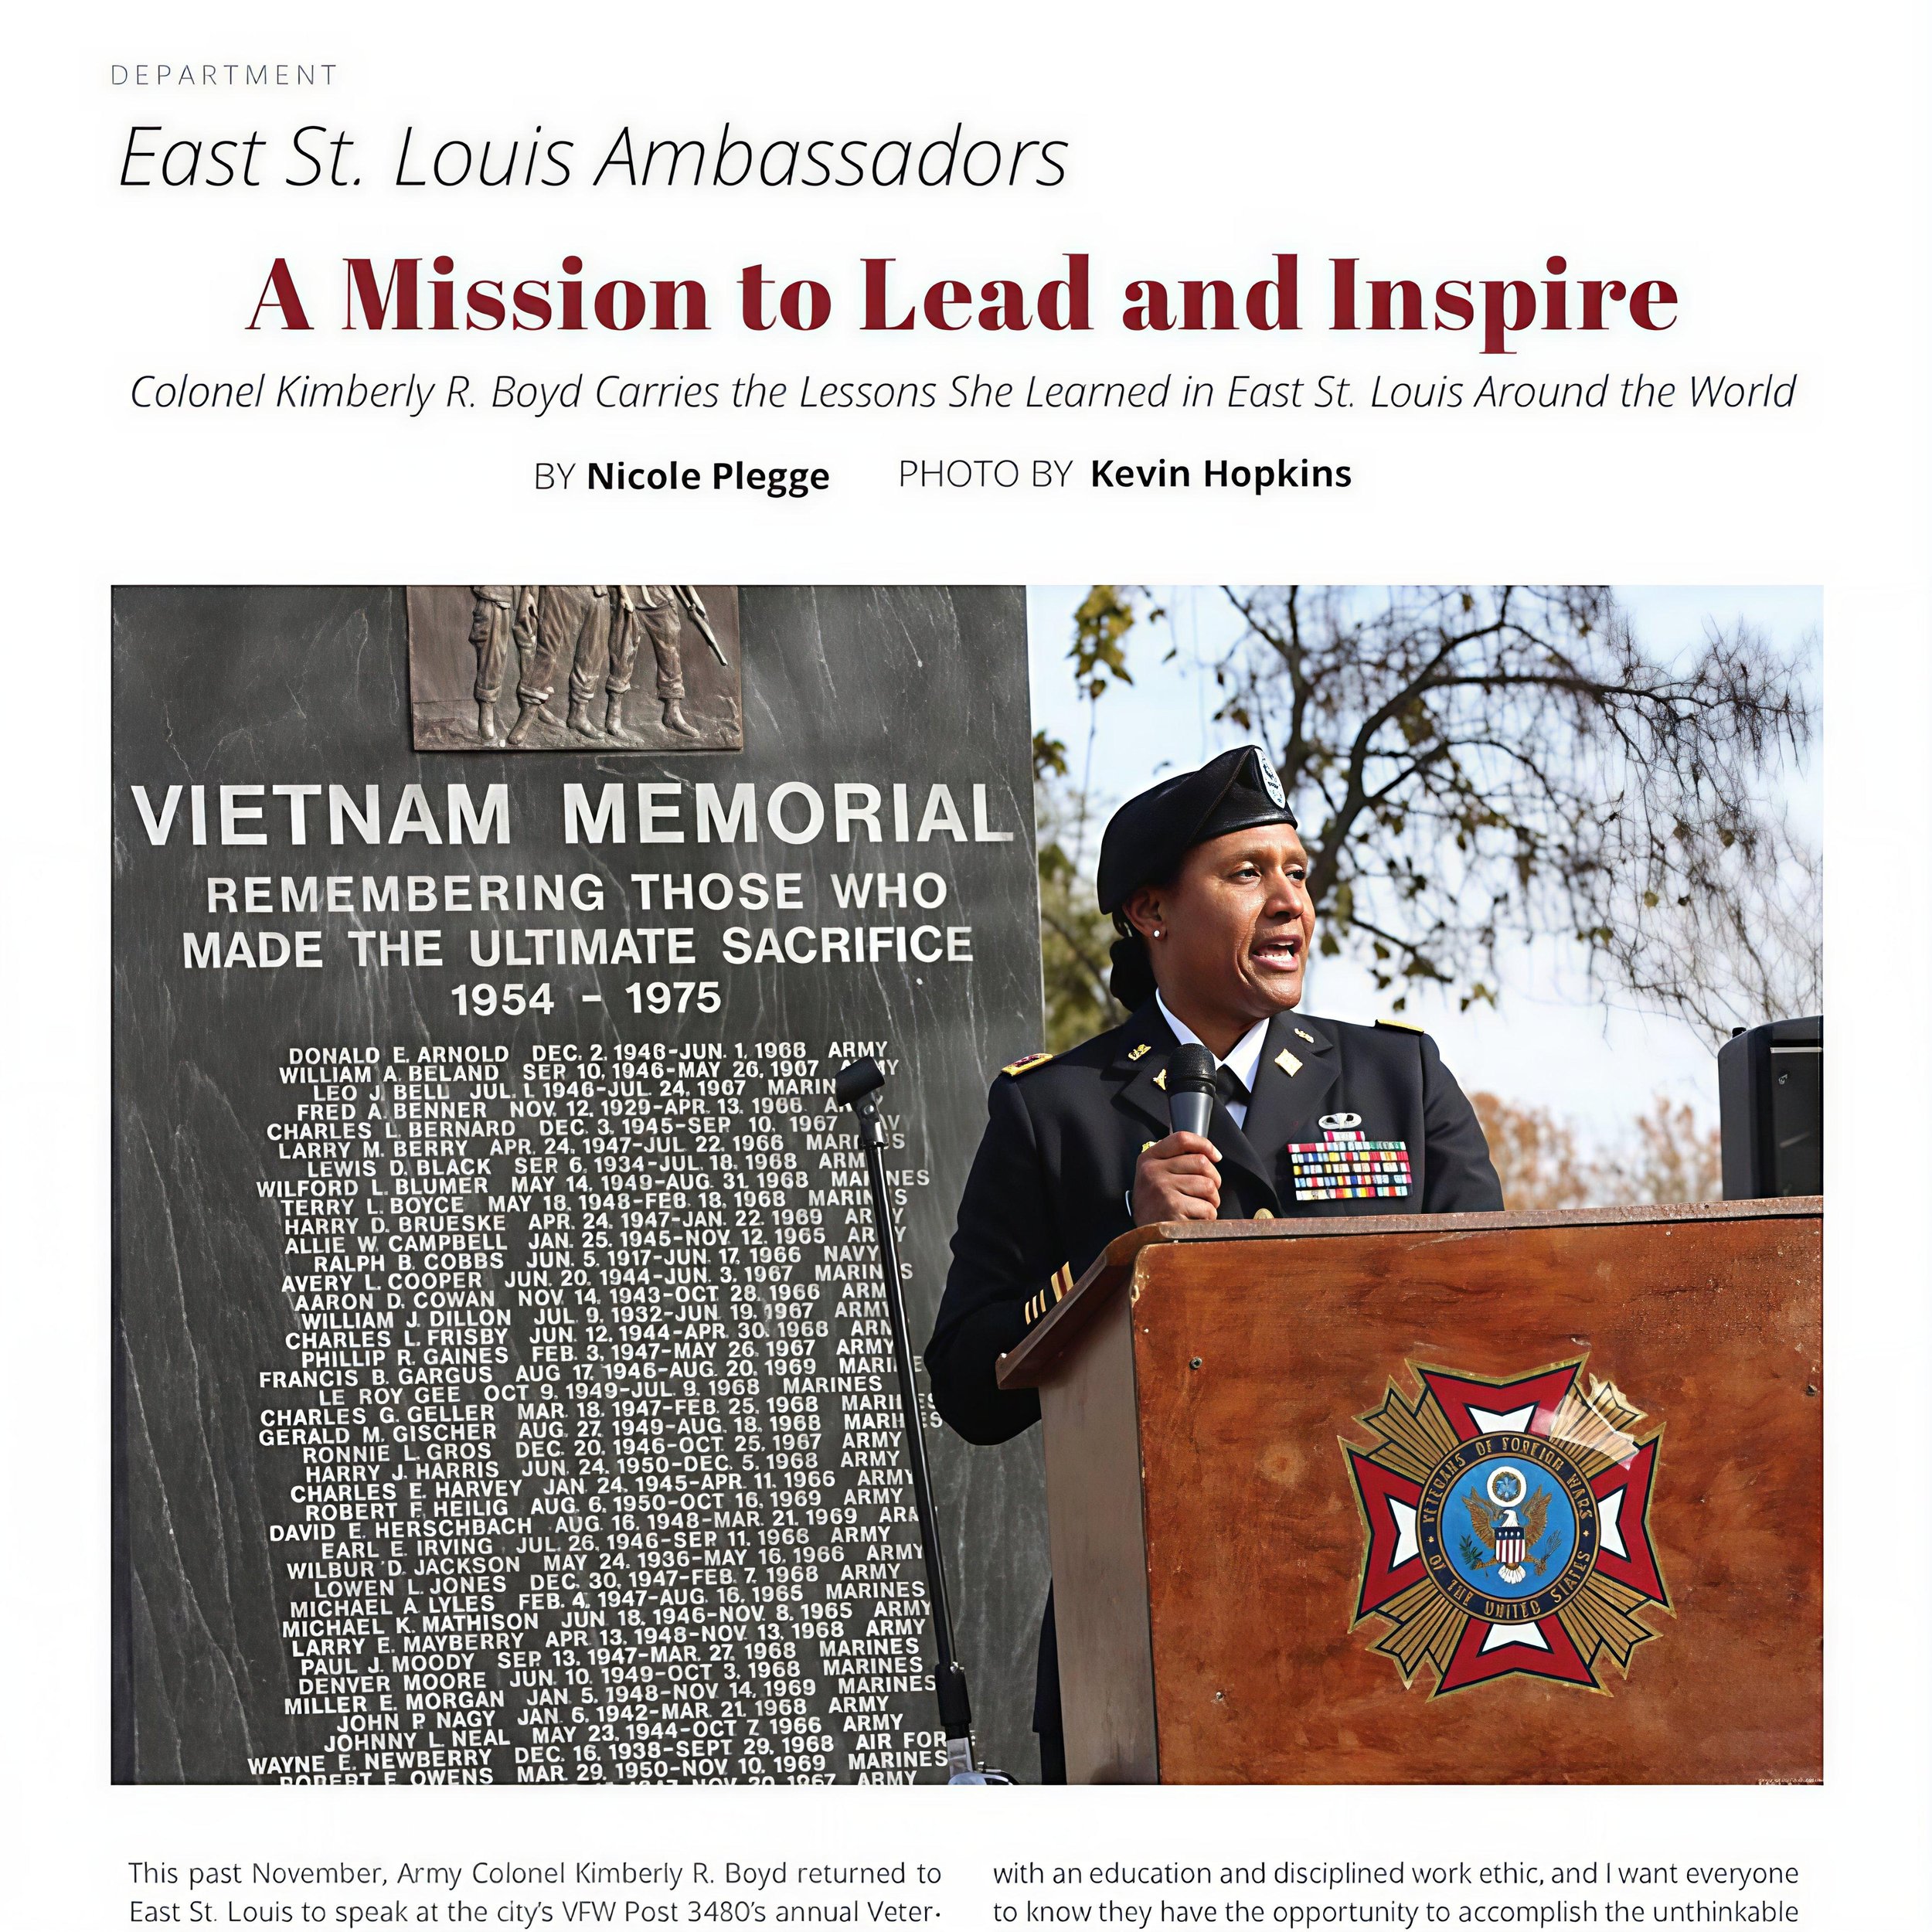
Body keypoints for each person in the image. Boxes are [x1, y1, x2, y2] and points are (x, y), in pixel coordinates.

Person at [923, 744, 1502, 1781]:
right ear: (1151, 913)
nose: (1290, 902)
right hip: (1151, 1624)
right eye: (1247, 875)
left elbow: (1500, 1320)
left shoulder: (1397, 1078)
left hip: (1397, 1596)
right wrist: (1117, 1253)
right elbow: (969, 1379)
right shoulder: (1055, 1108)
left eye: (1297, 873)